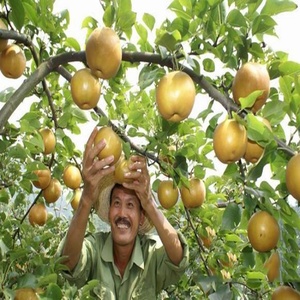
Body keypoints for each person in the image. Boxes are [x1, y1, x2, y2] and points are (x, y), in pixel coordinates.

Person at [59, 127, 189, 299]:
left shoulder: (151, 255)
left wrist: (149, 203)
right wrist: (86, 199)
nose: (122, 213)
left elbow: (178, 259)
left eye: (130, 205)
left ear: (142, 217)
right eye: (117, 203)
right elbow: (68, 263)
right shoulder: (94, 249)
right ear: (109, 210)